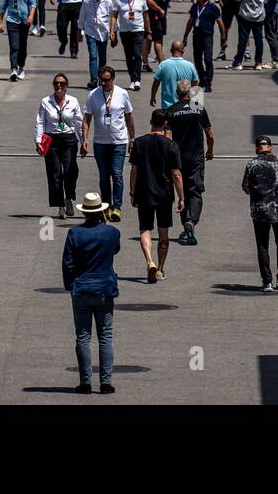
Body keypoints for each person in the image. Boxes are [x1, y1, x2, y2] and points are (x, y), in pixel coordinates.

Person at [62, 192, 121, 394]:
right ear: (101, 211)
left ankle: (85, 382)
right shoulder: (112, 233)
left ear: (84, 212)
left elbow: (68, 263)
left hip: (82, 288)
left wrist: (70, 285)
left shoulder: (75, 234)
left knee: (83, 336)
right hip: (104, 288)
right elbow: (116, 250)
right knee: (105, 335)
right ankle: (106, 382)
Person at [129, 109, 185, 284]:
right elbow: (176, 174)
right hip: (164, 194)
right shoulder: (171, 145)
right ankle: (160, 268)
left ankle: (149, 261)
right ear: (165, 124)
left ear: (151, 121)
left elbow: (134, 171)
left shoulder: (139, 143)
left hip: (144, 192)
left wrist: (132, 192)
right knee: (163, 232)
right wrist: (181, 197)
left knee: (145, 228)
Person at [242, 135, 278, 291]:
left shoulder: (251, 164)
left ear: (257, 148)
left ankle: (267, 281)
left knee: (262, 245)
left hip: (259, 210)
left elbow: (245, 187)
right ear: (270, 147)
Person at [82, 67, 134, 223]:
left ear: (113, 79)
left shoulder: (122, 93)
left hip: (119, 141)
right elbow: (87, 119)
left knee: (117, 173)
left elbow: (129, 117)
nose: (103, 83)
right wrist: (84, 139)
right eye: (101, 80)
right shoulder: (93, 95)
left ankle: (117, 207)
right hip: (100, 143)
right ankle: (106, 206)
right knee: (104, 177)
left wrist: (132, 138)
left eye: (106, 80)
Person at [165, 80, 213, 245]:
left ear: (177, 93)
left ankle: (186, 223)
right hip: (196, 157)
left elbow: (168, 137)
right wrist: (210, 150)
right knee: (195, 190)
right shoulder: (198, 108)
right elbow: (209, 134)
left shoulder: (171, 110)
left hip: (178, 157)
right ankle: (191, 221)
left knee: (182, 190)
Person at [35, 72, 85, 219]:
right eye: (56, 83)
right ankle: (60, 206)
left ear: (66, 86)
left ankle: (68, 197)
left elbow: (79, 122)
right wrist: (38, 141)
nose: (59, 85)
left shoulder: (73, 101)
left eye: (62, 83)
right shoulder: (46, 101)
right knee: (55, 174)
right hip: (52, 140)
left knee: (70, 171)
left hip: (69, 139)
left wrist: (83, 141)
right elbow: (40, 121)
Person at [0, 0, 37, 81]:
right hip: (12, 20)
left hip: (24, 20)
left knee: (22, 46)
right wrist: (0, 23)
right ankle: (13, 69)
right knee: (14, 46)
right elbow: (3, 6)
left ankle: (21, 68)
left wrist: (31, 17)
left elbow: (33, 4)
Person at [181, 0, 224, 93]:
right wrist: (185, 35)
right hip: (196, 36)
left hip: (207, 36)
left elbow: (220, 23)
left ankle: (208, 83)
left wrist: (223, 38)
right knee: (197, 59)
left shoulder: (213, 8)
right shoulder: (195, 6)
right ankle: (203, 79)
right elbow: (190, 21)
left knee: (208, 59)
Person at [112, 0, 150, 91]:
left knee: (137, 54)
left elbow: (146, 15)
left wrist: (148, 30)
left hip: (138, 30)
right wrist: (112, 31)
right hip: (124, 31)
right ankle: (132, 79)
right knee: (129, 56)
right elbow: (114, 16)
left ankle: (137, 80)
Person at [231, 0, 269, 71]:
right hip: (259, 14)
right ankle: (258, 62)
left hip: (245, 14)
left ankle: (238, 63)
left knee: (243, 39)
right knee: (258, 39)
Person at [79, 0, 115, 89]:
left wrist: (113, 32)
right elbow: (82, 16)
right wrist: (79, 31)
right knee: (93, 55)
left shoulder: (107, 1)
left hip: (103, 33)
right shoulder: (87, 1)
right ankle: (94, 80)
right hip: (90, 31)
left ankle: (102, 79)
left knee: (102, 56)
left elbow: (113, 16)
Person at [149, 39, 199, 110]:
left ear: (171, 50)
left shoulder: (163, 65)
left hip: (168, 107)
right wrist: (195, 105)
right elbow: (195, 85)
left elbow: (156, 83)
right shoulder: (190, 66)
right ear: (183, 51)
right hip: (185, 107)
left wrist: (153, 97)